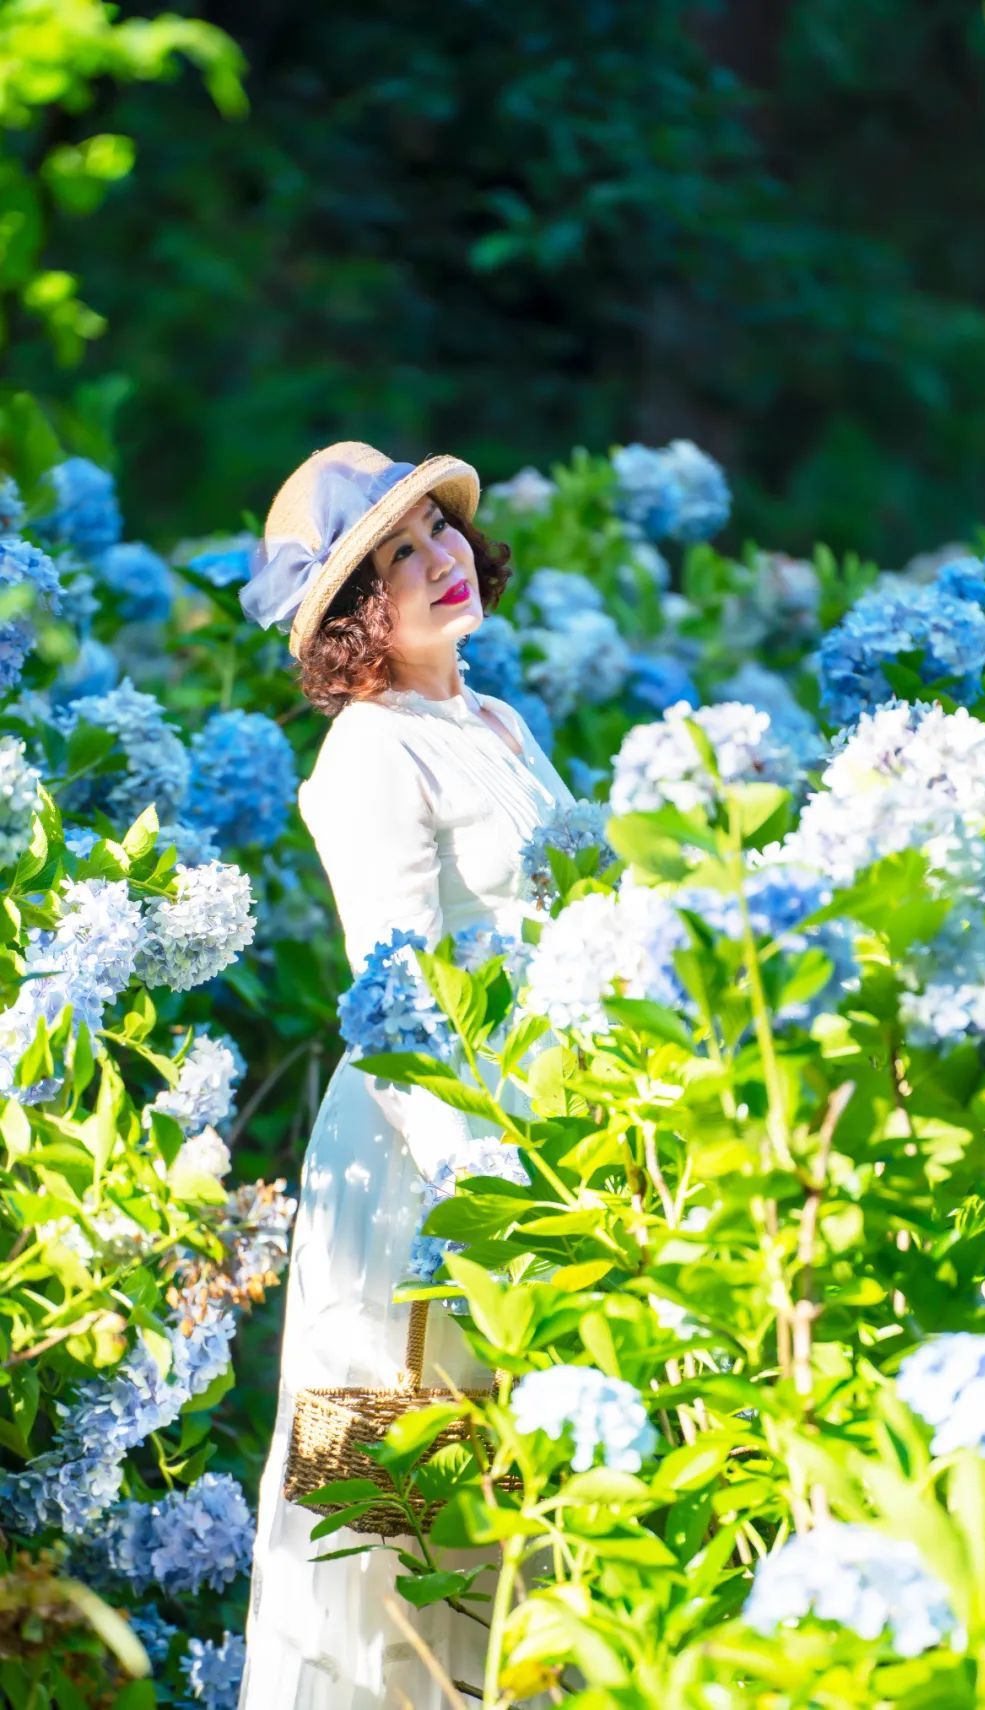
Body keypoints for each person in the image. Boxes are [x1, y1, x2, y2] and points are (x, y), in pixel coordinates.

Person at [235, 442, 574, 1709]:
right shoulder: (370, 752)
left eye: (436, 532)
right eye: (393, 559)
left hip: (542, 1140)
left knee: (519, 1518)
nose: (439, 561)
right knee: (383, 1524)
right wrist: (489, 1189)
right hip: (416, 1183)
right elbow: (398, 1005)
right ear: (350, 620)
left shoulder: (493, 720)